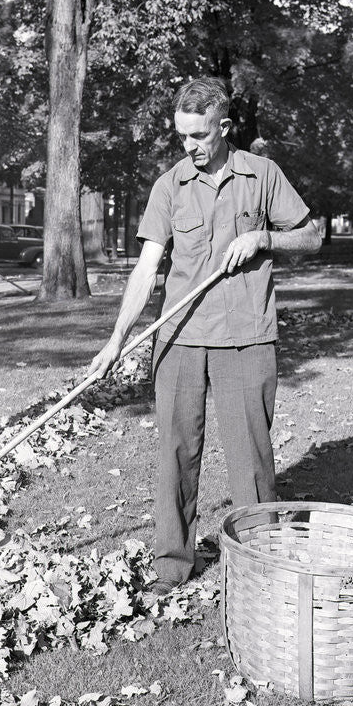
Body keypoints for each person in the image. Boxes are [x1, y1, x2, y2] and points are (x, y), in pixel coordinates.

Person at [90, 77, 322, 596]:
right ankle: (173, 564)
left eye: (199, 136)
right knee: (175, 453)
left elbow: (312, 234)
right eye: (182, 136)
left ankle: (264, 566)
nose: (189, 146)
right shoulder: (168, 185)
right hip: (178, 337)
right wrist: (115, 340)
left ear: (224, 127)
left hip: (247, 336)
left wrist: (263, 237)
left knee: (251, 460)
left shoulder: (262, 175)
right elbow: (147, 267)